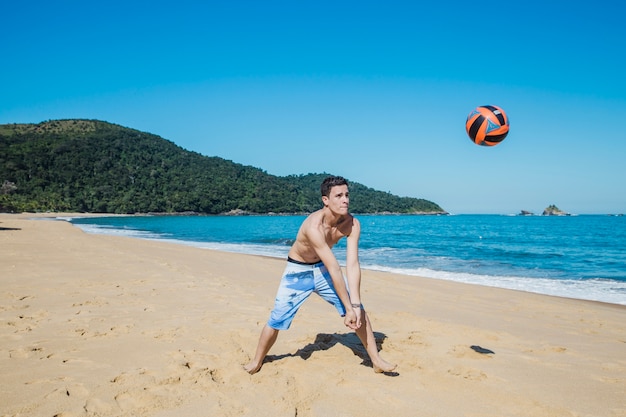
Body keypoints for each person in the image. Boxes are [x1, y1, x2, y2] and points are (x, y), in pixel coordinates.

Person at [244, 176, 396, 374]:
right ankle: (257, 360)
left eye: (347, 195)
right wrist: (348, 308)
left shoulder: (352, 224)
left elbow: (352, 264)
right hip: (298, 271)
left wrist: (355, 305)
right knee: (277, 318)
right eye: (339, 196)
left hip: (321, 268)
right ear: (326, 200)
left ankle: (376, 360)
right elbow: (334, 268)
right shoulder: (313, 226)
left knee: (360, 311)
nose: (345, 200)